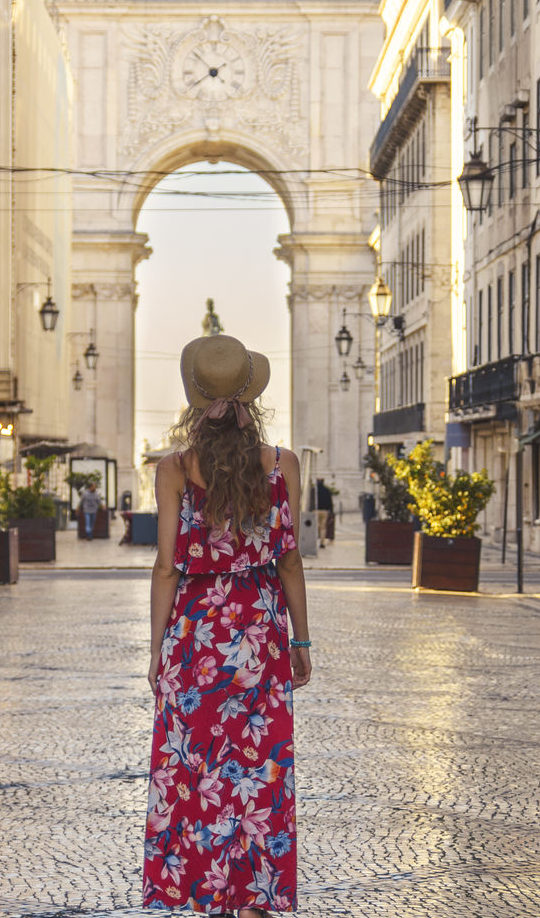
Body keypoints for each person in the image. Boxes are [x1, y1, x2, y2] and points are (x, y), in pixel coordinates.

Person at [145, 334, 311, 917]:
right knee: (258, 770)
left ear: (196, 399)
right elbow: (290, 558)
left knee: (197, 766)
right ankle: (256, 897)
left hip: (196, 639)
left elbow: (166, 565)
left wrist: (156, 647)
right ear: (251, 396)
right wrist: (302, 639)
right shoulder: (280, 463)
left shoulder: (174, 468)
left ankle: (204, 892)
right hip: (261, 633)